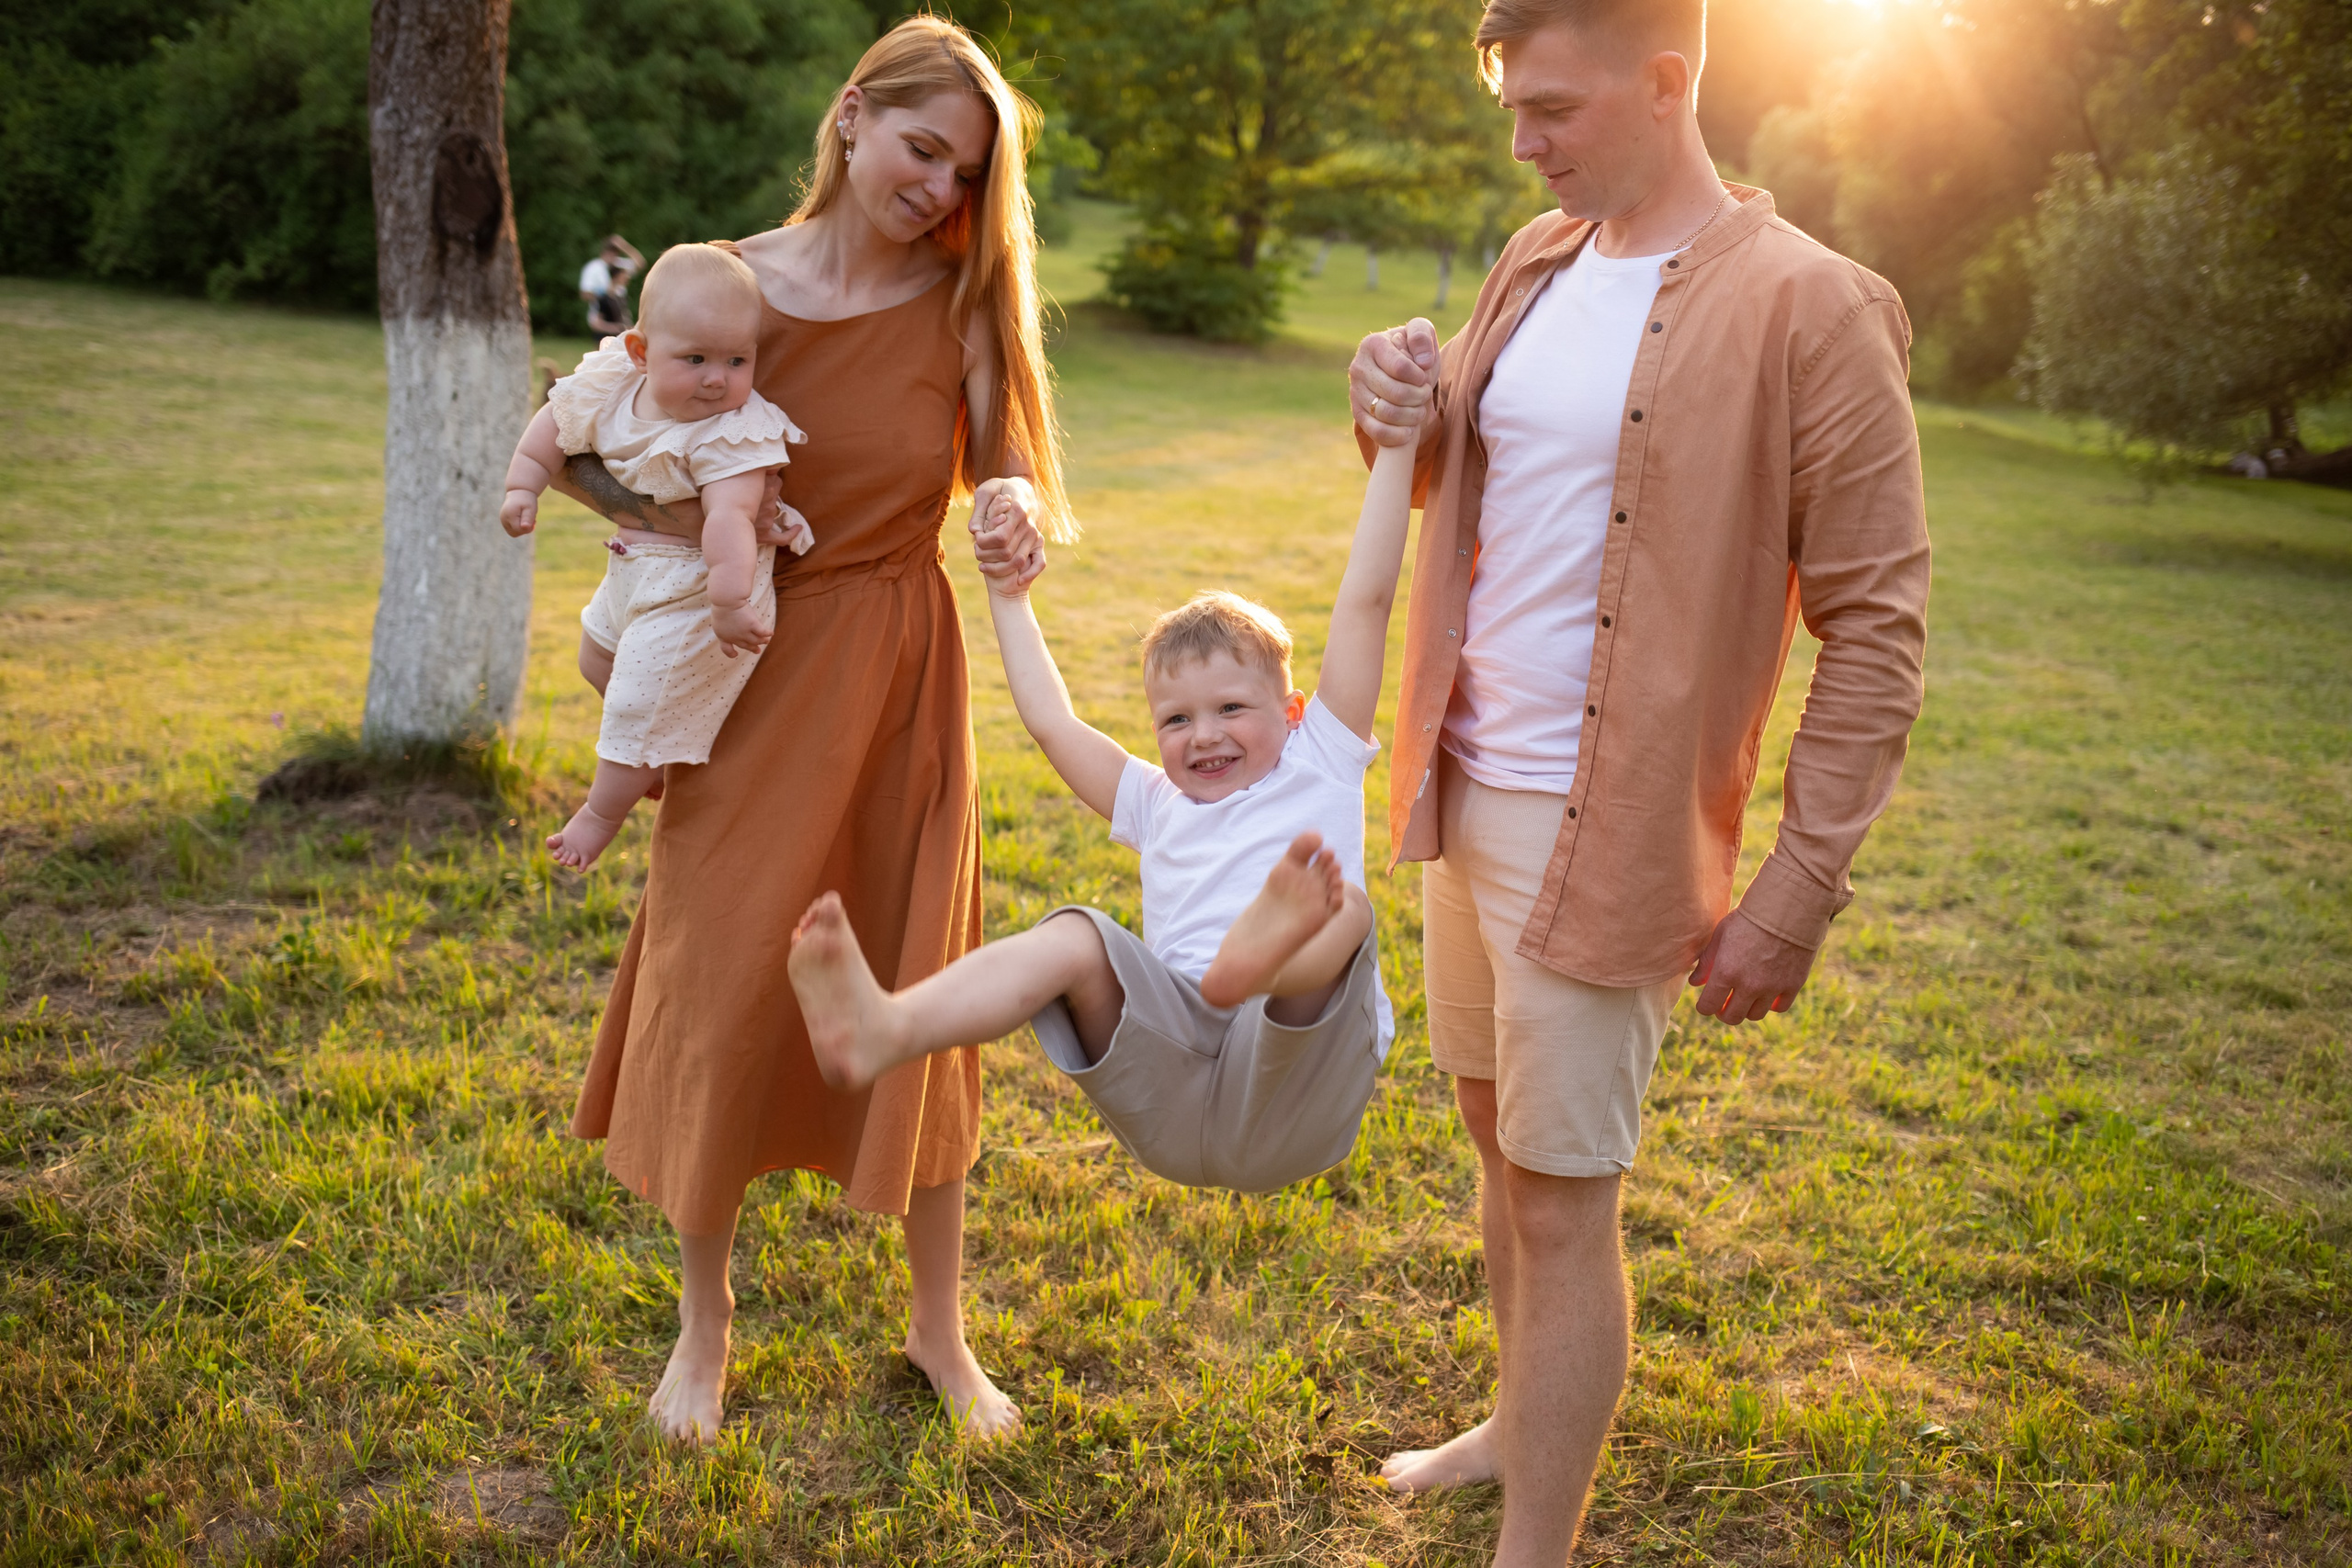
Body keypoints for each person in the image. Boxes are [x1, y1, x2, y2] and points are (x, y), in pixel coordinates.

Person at [1347, 0, 1931, 1562]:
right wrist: (1387, 405)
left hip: (1604, 821)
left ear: (1666, 82)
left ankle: (1535, 1545)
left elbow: (1878, 627)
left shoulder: (1818, 306)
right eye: (1512, 112)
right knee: (1494, 1132)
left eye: (1552, 110)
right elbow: (1449, 472)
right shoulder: (1536, 262)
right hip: (1465, 781)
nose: (1523, 144)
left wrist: (1798, 890)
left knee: (1561, 1192)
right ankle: (1505, 1415)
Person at [545, 17, 1073, 1448]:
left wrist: (1010, 498)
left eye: (964, 174)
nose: (937, 191)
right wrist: (689, 543)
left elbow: (1004, 463)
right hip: (746, 674)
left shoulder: (959, 301)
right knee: (721, 978)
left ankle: (939, 1330)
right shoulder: (723, 287)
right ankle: (703, 1329)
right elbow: (588, 444)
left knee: (920, 991)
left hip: (900, 677)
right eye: (921, 150)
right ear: (851, 118)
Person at [786, 438, 1419, 1192]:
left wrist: (1399, 445)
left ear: (1292, 712)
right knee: (1077, 936)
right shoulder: (1156, 801)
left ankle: (1269, 961)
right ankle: (888, 1026)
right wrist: (1009, 595)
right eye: (1176, 720)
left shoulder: (1321, 755)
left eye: (1230, 709)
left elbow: (1368, 599)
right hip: (1175, 1083)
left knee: (1340, 908)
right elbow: (1053, 723)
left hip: (1294, 1083)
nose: (1204, 734)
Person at [499, 243, 816, 870]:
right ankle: (646, 757)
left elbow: (730, 518)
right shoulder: (611, 382)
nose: (716, 378)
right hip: (634, 566)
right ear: (641, 351)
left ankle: (599, 815)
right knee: (595, 655)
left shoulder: (734, 429)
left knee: (635, 701)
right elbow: (551, 431)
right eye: (694, 358)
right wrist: (521, 485)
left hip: (704, 587)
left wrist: (727, 602)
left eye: (737, 359)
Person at [580, 235, 644, 336]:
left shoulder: (619, 265)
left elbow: (640, 263)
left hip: (620, 313)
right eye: (611, 251)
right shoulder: (593, 267)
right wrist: (607, 295)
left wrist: (624, 246)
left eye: (616, 252)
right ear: (604, 251)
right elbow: (584, 294)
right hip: (603, 315)